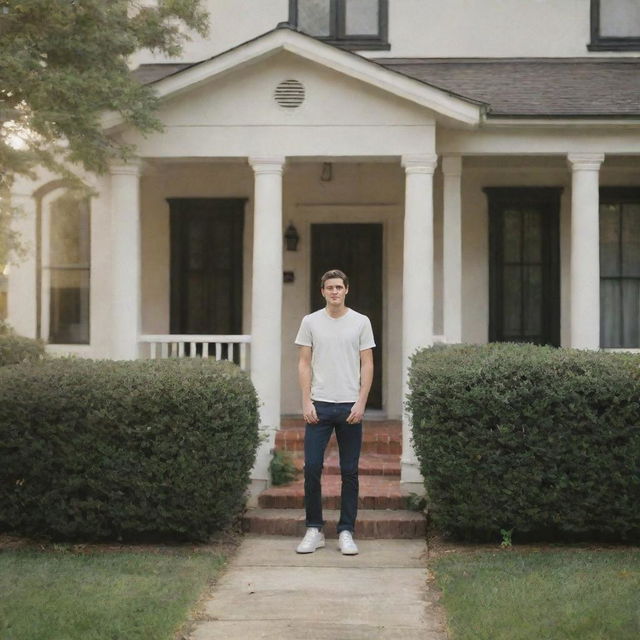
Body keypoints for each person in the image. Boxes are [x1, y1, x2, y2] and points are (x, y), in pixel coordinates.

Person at [294, 269, 375, 555]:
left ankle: (346, 531)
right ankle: (314, 529)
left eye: (339, 287)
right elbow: (304, 363)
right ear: (323, 291)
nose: (335, 292)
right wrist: (306, 402)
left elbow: (367, 364)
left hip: (350, 406)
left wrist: (362, 402)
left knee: (349, 471)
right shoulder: (310, 322)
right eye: (330, 287)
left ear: (347, 290)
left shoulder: (361, 322)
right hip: (319, 405)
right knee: (312, 467)